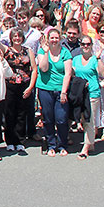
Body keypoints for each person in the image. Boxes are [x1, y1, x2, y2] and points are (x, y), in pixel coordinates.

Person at [36, 27, 74, 156]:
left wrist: (64, 92)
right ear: (48, 39)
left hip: (60, 89)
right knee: (48, 118)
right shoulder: (42, 52)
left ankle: (62, 144)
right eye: (51, 38)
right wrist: (46, 53)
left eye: (56, 38)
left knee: (61, 119)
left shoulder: (65, 53)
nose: (54, 40)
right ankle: (51, 144)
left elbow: (68, 73)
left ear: (60, 39)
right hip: (45, 89)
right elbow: (43, 68)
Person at [2, 28, 36, 153]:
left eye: (19, 36)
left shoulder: (28, 51)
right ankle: (10, 141)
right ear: (11, 38)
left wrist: (30, 87)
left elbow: (33, 69)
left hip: (24, 86)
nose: (17, 38)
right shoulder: (7, 50)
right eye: (14, 36)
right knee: (9, 114)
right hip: (9, 86)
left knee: (22, 114)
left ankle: (20, 141)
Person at [71, 36, 103, 159]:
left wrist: (99, 58)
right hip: (80, 93)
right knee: (83, 119)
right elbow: (72, 73)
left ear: (91, 46)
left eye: (88, 44)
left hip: (92, 93)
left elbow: (101, 73)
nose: (85, 46)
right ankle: (91, 143)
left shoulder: (95, 59)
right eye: (83, 44)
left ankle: (85, 148)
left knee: (89, 121)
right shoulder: (76, 59)